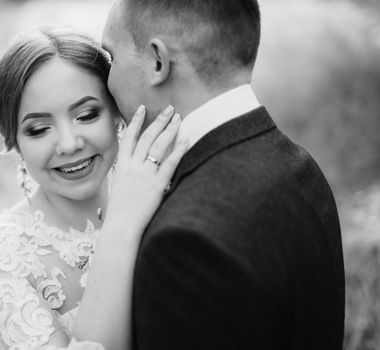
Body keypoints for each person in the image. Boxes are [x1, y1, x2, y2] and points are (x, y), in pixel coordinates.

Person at [98, 0, 345, 349]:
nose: (106, 81)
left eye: (111, 58)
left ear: (157, 61)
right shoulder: (300, 167)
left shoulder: (185, 243)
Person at [0, 28, 188, 350]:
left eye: (86, 114)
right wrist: (120, 227)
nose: (68, 144)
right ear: (14, 142)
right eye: (38, 129)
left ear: (116, 114)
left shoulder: (169, 194)